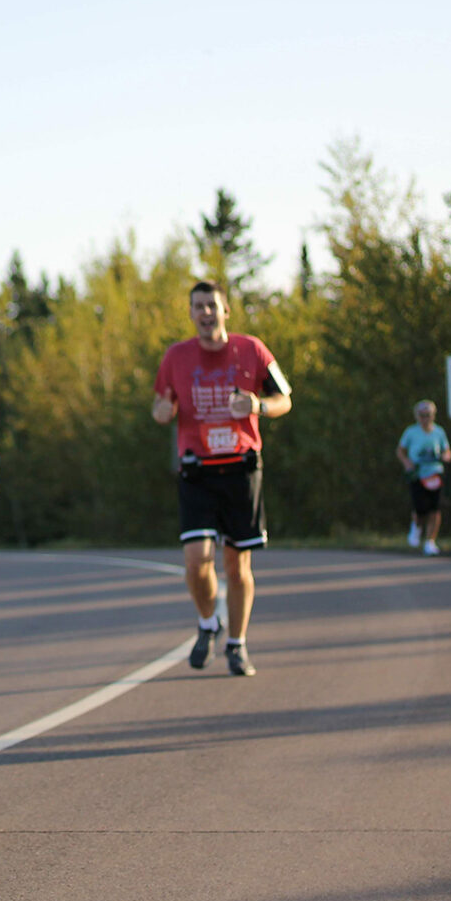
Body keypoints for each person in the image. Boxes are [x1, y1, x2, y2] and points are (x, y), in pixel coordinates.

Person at [152, 281, 292, 677]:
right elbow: (161, 404)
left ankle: (237, 644)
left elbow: (286, 398)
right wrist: (162, 411)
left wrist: (258, 405)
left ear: (226, 310)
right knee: (197, 561)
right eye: (198, 306)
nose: (206, 312)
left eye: (212, 305)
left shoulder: (252, 349)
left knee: (236, 565)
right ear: (191, 313)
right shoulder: (177, 356)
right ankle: (208, 623)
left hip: (240, 469)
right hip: (197, 471)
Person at [396, 400, 451, 556]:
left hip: (435, 474)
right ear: (417, 416)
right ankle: (416, 526)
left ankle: (430, 541)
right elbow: (400, 451)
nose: (425, 418)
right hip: (417, 475)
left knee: (435, 509)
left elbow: (447, 451)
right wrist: (407, 463)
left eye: (428, 415)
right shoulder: (411, 432)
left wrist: (445, 457)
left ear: (433, 415)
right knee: (420, 509)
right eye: (422, 415)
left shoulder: (439, 432)